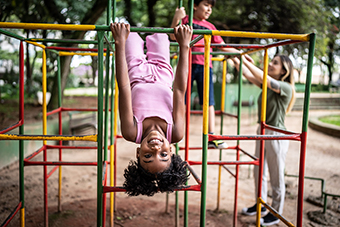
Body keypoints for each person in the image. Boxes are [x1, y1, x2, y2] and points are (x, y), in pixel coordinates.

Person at [110, 22, 193, 196]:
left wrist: (119, 44)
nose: (156, 149)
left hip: (135, 73)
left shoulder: (132, 132)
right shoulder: (175, 133)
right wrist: (184, 47)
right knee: (160, 35)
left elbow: (124, 87)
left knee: (129, 35)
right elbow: (179, 90)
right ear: (171, 150)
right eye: (164, 155)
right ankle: (177, 15)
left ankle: (128, 37)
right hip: (163, 73)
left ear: (138, 153)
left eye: (148, 156)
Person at [170, 0, 254, 149]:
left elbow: (222, 46)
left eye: (211, 7)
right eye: (206, 5)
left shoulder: (210, 27)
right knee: (180, 99)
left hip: (205, 66)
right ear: (195, 6)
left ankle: (212, 136)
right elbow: (172, 36)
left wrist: (239, 53)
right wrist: (177, 17)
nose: (209, 9)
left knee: (208, 102)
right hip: (186, 65)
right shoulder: (185, 20)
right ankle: (177, 133)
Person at [231, 54, 295, 226]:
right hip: (263, 131)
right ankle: (261, 203)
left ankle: (275, 212)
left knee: (276, 175)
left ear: (284, 70)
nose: (271, 64)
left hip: (276, 134)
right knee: (258, 171)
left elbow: (262, 76)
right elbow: (246, 73)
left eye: (275, 63)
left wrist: (243, 57)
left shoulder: (285, 88)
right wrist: (235, 58)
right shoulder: (266, 86)